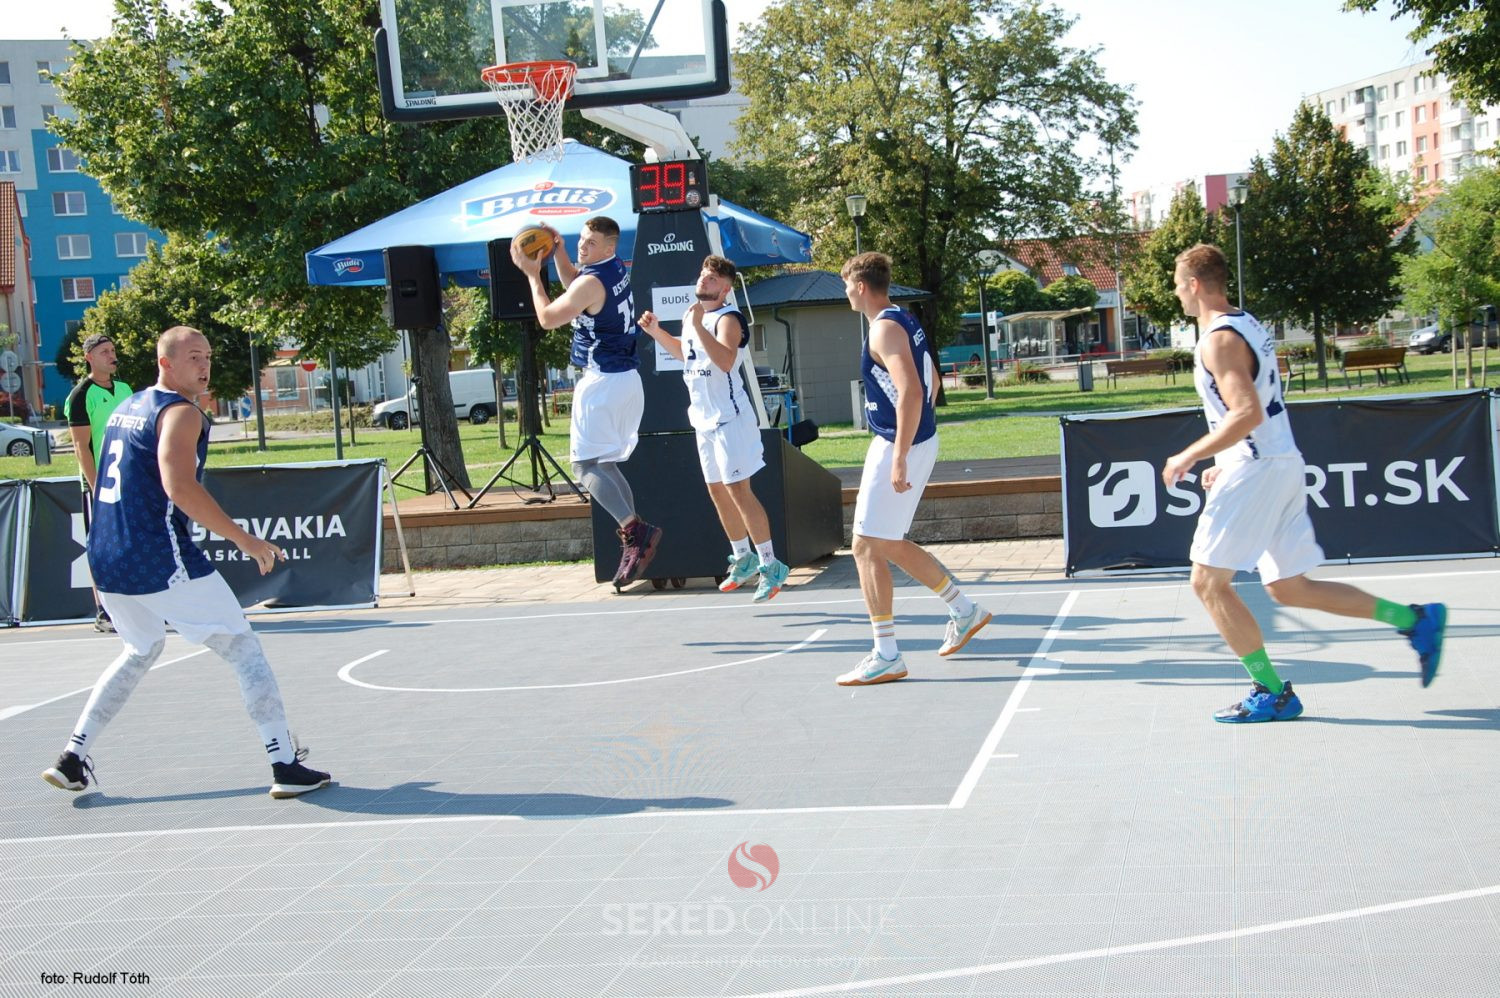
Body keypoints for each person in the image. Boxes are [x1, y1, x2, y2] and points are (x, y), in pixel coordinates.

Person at [42, 326, 330, 798]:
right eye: (193, 356)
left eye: (208, 356)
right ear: (165, 363)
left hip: (105, 553)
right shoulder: (180, 413)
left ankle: (72, 757)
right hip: (155, 554)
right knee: (244, 648)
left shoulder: (128, 406)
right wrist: (245, 540)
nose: (205, 365)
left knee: (140, 649)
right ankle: (283, 763)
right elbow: (179, 487)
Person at [1162, 243, 1446, 723]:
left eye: (1177, 284)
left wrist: (1190, 455)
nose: (1176, 293)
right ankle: (1414, 620)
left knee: (1207, 582)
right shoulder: (1246, 323)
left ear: (1194, 284)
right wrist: (1226, 459)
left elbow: (1246, 412)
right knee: (1289, 588)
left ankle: (1271, 692)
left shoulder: (1218, 340)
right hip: (1278, 462)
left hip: (1260, 468)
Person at [835, 252, 991, 686]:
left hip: (898, 443)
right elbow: (934, 382)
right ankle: (964, 609)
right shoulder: (904, 318)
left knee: (865, 546)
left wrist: (900, 453)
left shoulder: (883, 328)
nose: (846, 292)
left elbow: (912, 391)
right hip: (915, 439)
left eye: (847, 284)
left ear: (861, 286)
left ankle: (887, 654)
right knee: (887, 541)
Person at [511, 217, 662, 588]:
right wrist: (559, 252)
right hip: (624, 380)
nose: (583, 246)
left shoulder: (592, 282)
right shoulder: (612, 268)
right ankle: (635, 535)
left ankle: (634, 531)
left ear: (609, 247)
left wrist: (533, 276)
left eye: (590, 242)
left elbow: (548, 318)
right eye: (581, 239)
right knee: (604, 464)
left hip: (604, 381)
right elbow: (576, 287)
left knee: (583, 466)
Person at [638, 255, 789, 601]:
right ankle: (743, 557)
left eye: (711, 279)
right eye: (703, 276)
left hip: (730, 419)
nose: (703, 281)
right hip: (703, 420)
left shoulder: (728, 319)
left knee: (739, 490)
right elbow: (687, 355)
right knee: (717, 490)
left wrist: (699, 327)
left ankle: (771, 565)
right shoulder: (694, 316)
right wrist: (657, 332)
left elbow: (724, 360)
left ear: (725, 289)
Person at [65, 332, 132, 633]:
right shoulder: (80, 395)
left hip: (128, 481)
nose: (112, 355)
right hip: (100, 484)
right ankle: (104, 612)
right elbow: (81, 447)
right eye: (104, 351)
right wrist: (96, 488)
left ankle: (136, 607)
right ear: (89, 357)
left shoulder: (125, 389)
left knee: (132, 543)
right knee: (101, 548)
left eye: (113, 350)